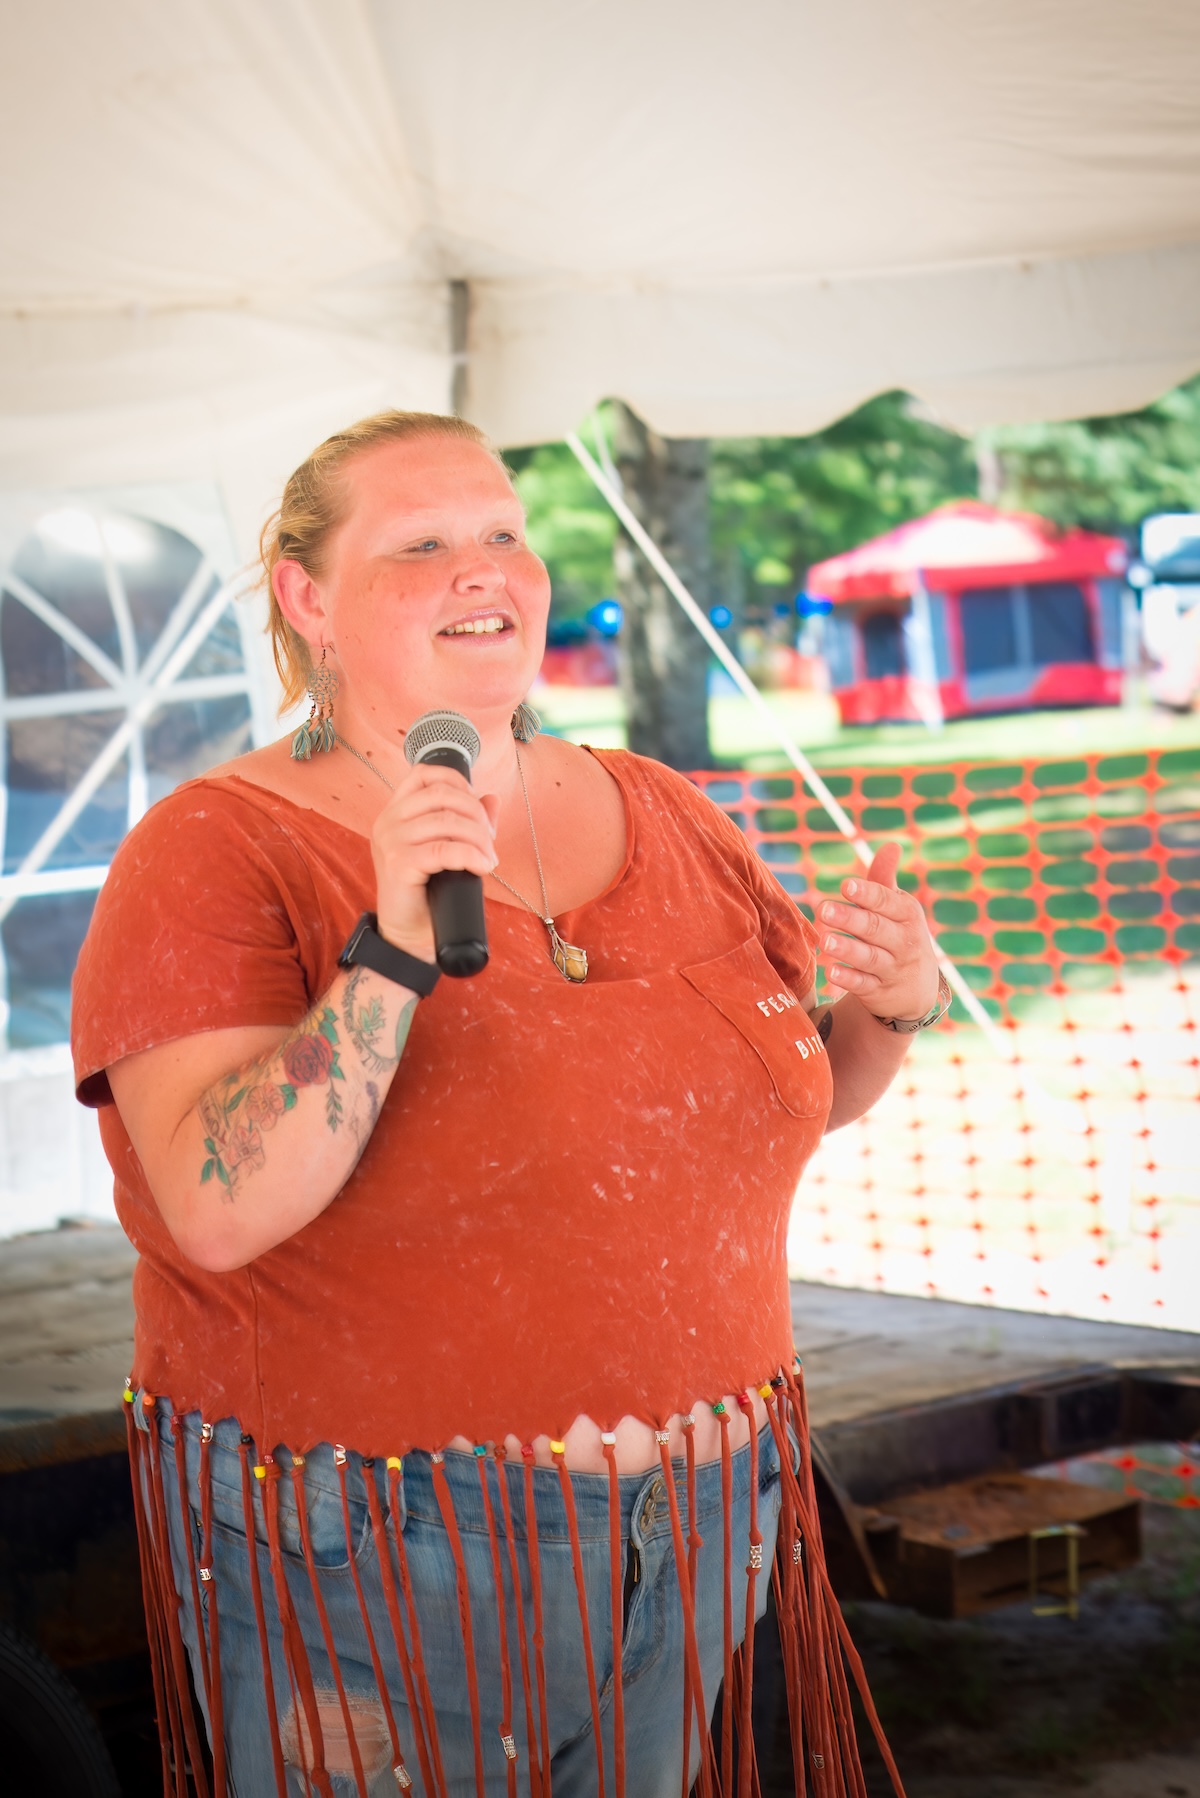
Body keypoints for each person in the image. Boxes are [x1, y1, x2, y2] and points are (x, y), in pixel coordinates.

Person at [72, 411, 937, 1798]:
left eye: (504, 533)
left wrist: (887, 1009)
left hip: (702, 1525)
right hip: (381, 1545)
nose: (486, 569)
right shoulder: (214, 847)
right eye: (422, 544)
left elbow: (779, 1101)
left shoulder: (668, 811)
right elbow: (218, 1204)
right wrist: (394, 950)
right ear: (309, 597)